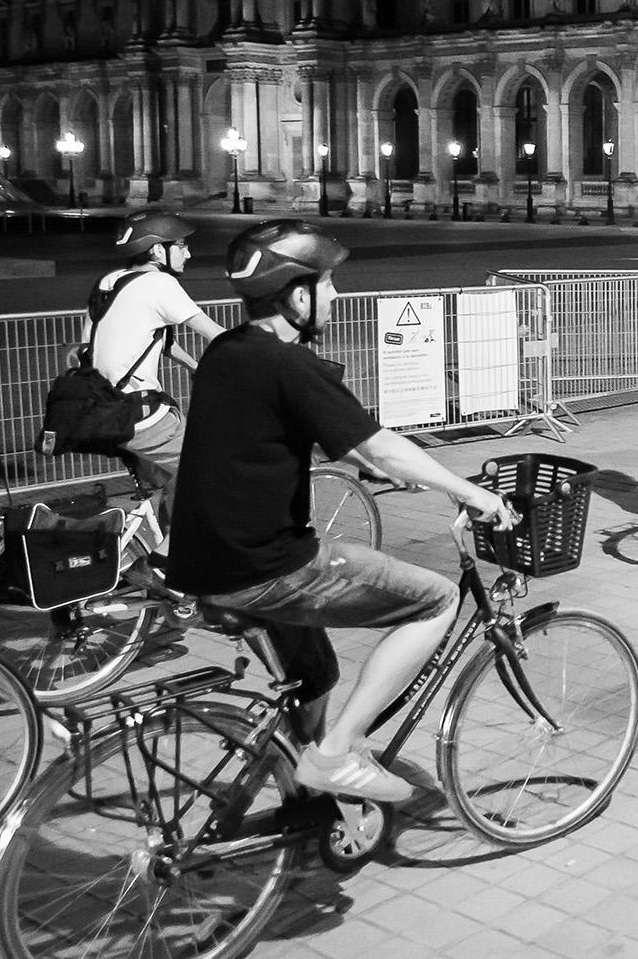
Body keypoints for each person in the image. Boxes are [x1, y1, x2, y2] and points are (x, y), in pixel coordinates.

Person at [168, 220, 520, 805]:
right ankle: (335, 755)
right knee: (436, 600)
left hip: (204, 563)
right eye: (327, 284)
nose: (334, 295)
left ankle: (306, 802)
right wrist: (472, 491)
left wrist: (382, 467)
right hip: (271, 566)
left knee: (316, 677)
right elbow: (381, 443)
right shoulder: (290, 364)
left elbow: (300, 436)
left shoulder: (229, 352)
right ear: (296, 294)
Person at [86, 211, 225, 520]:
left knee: (178, 479)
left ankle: (162, 547)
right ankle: (171, 559)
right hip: (139, 414)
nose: (189, 253)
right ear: (158, 250)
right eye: (182, 245)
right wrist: (271, 351)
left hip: (99, 409)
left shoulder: (110, 281)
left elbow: (146, 338)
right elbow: (216, 335)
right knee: (214, 469)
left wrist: (193, 365)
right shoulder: (159, 284)